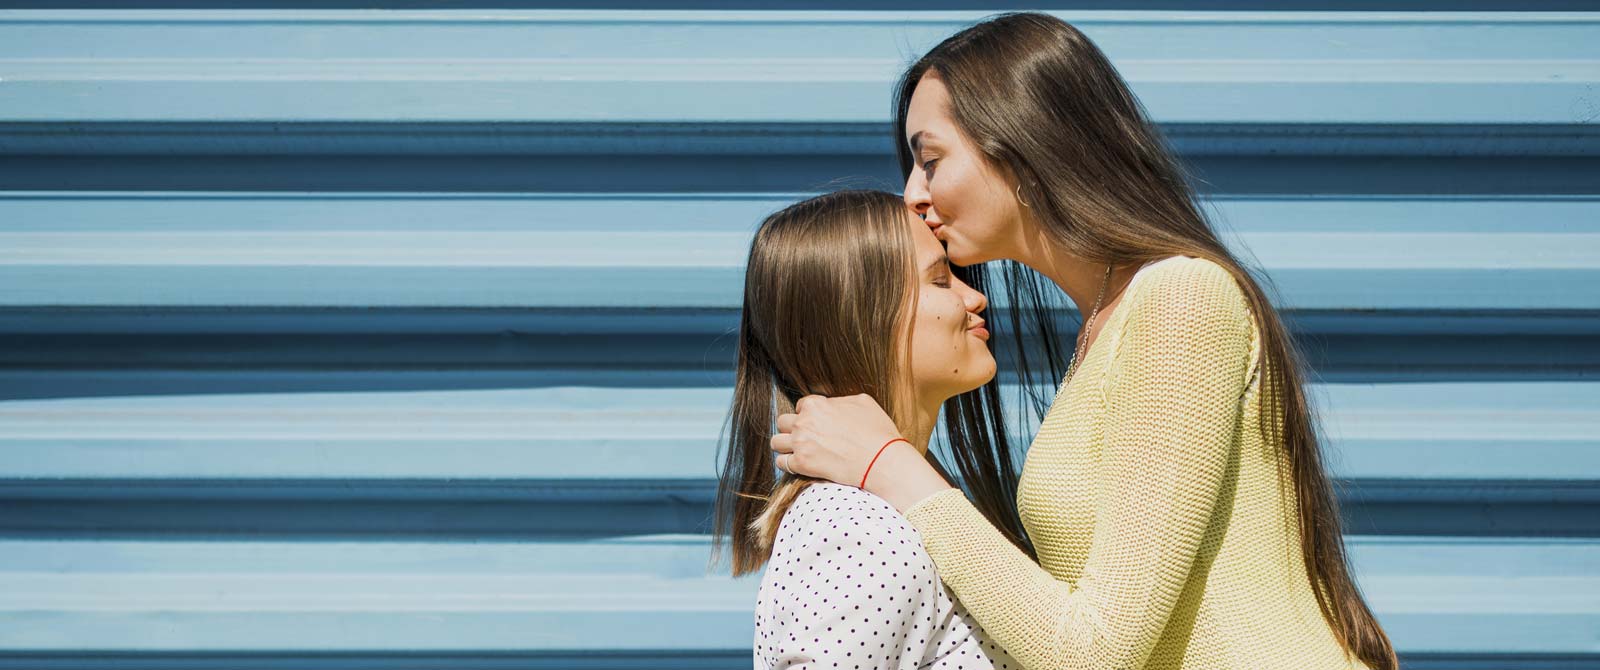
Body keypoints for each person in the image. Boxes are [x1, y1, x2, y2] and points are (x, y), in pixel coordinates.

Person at [767, 13, 1397, 670]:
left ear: (1020, 142)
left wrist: (888, 464)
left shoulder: (1181, 297)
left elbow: (1094, 650)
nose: (911, 195)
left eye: (930, 161)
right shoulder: (1105, 325)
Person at [711, 189, 1022, 669]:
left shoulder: (888, 508)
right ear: (861, 316)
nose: (974, 297)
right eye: (940, 280)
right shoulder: (858, 531)